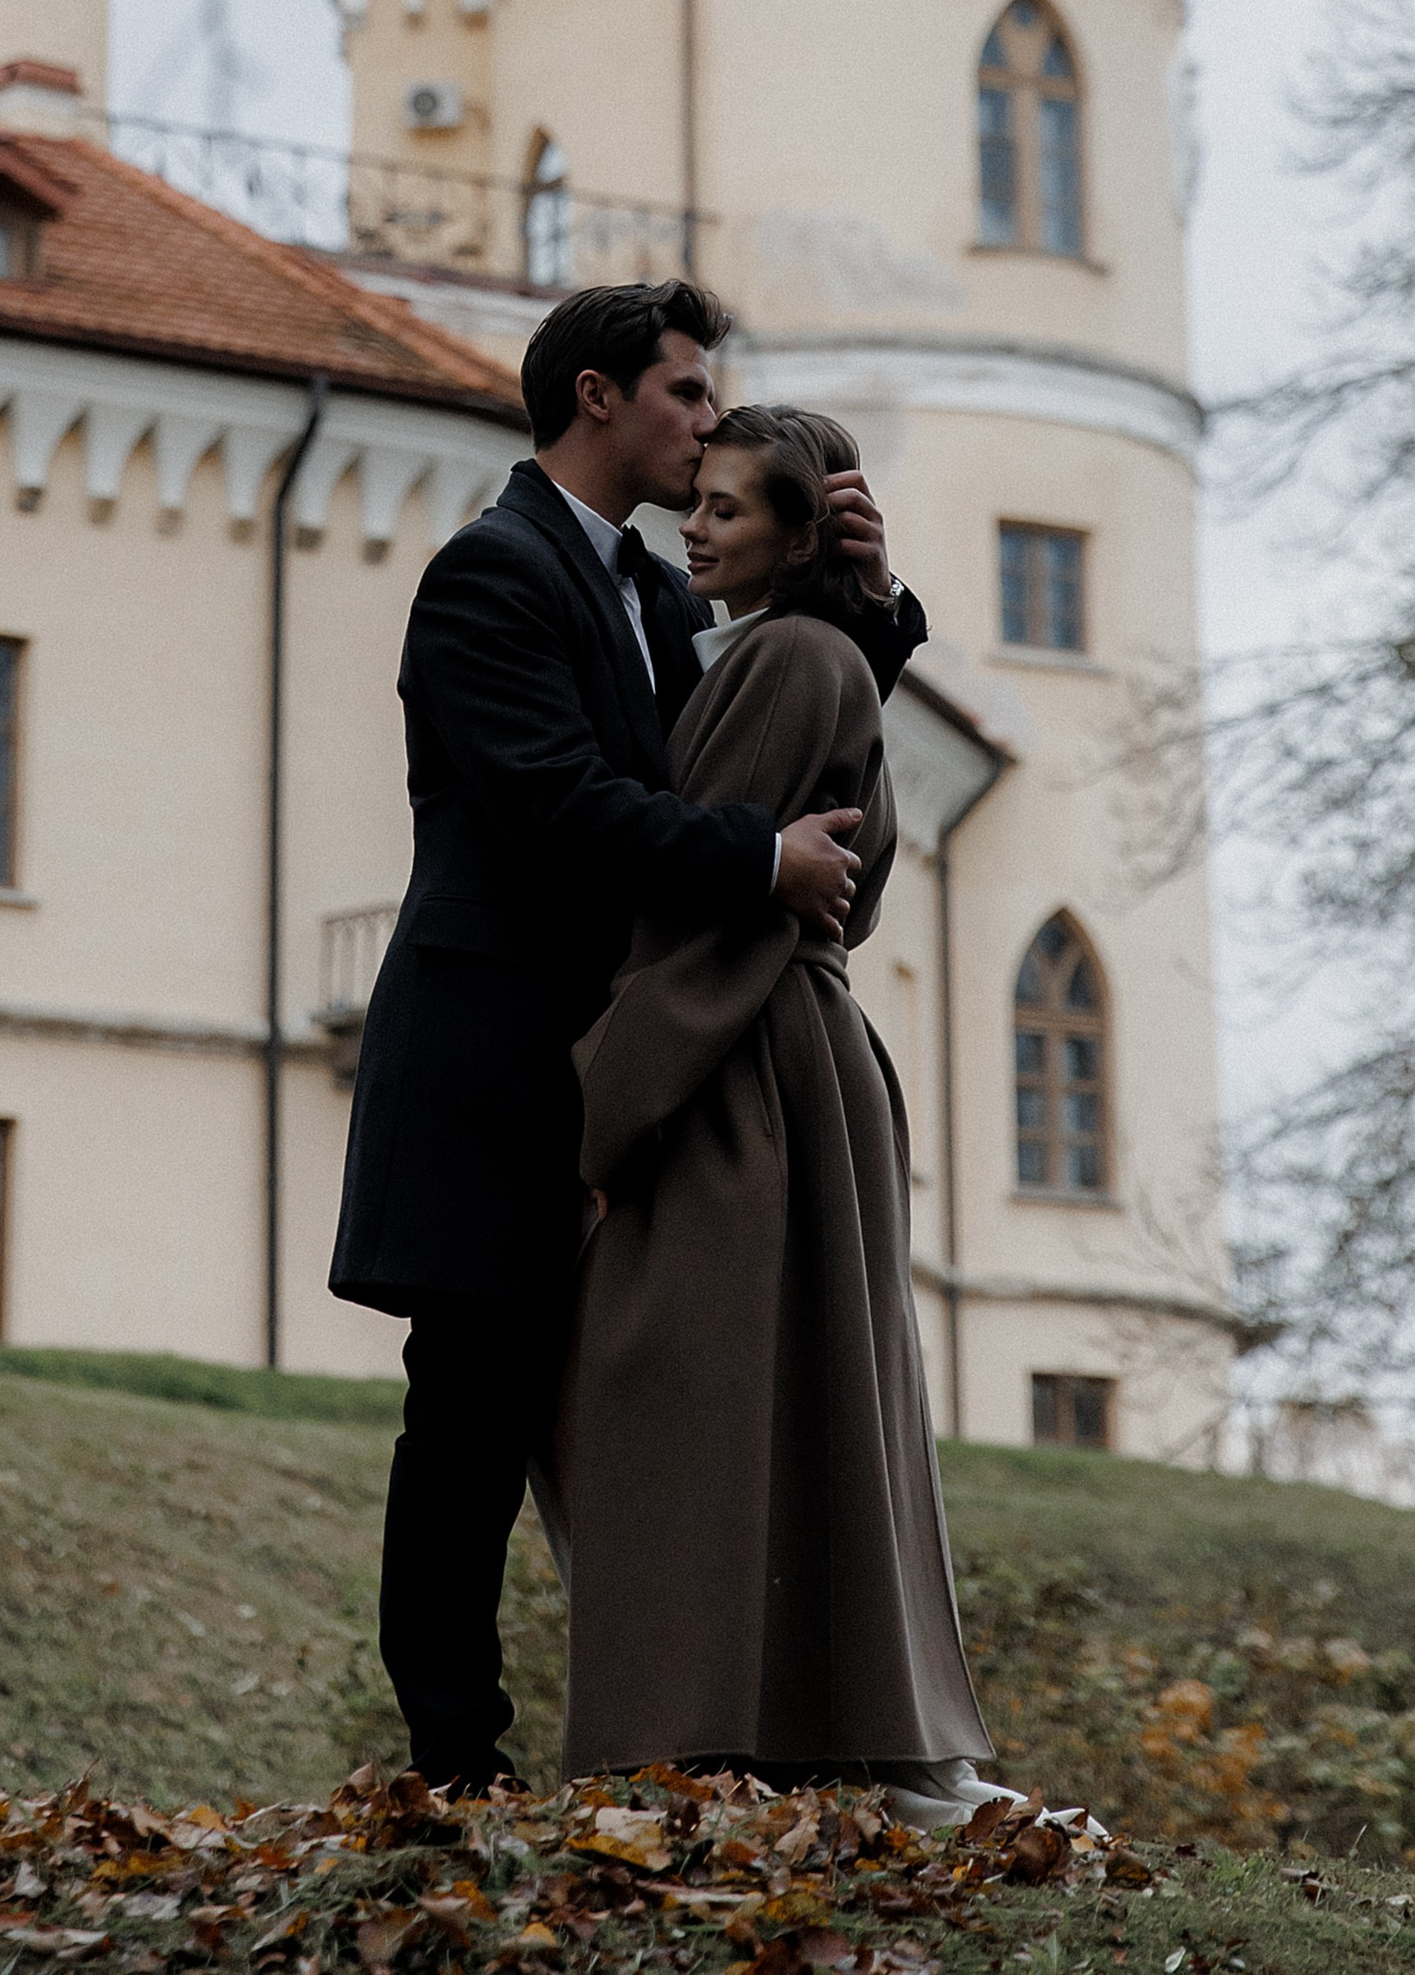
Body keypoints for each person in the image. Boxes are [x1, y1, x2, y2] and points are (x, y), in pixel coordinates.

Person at [330, 280, 929, 1795]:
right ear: (597, 396)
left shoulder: (660, 597)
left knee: (617, 1408)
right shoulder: (491, 574)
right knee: (469, 1414)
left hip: (616, 1060)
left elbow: (769, 730)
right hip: (486, 1061)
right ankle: (455, 1764)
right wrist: (757, 866)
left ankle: (699, 1720)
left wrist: (854, 595)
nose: (708, 424)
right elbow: (558, 804)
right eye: (685, 396)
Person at [554, 403, 997, 1815]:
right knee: (798, 1412)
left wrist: (604, 1116)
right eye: (702, 501)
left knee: (682, 1402)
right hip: (791, 1070)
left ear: (800, 536)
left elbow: (702, 920)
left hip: (741, 1073)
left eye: (731, 510)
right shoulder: (803, 656)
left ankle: (707, 1740)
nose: (697, 524)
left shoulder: (791, 659)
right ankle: (833, 1739)